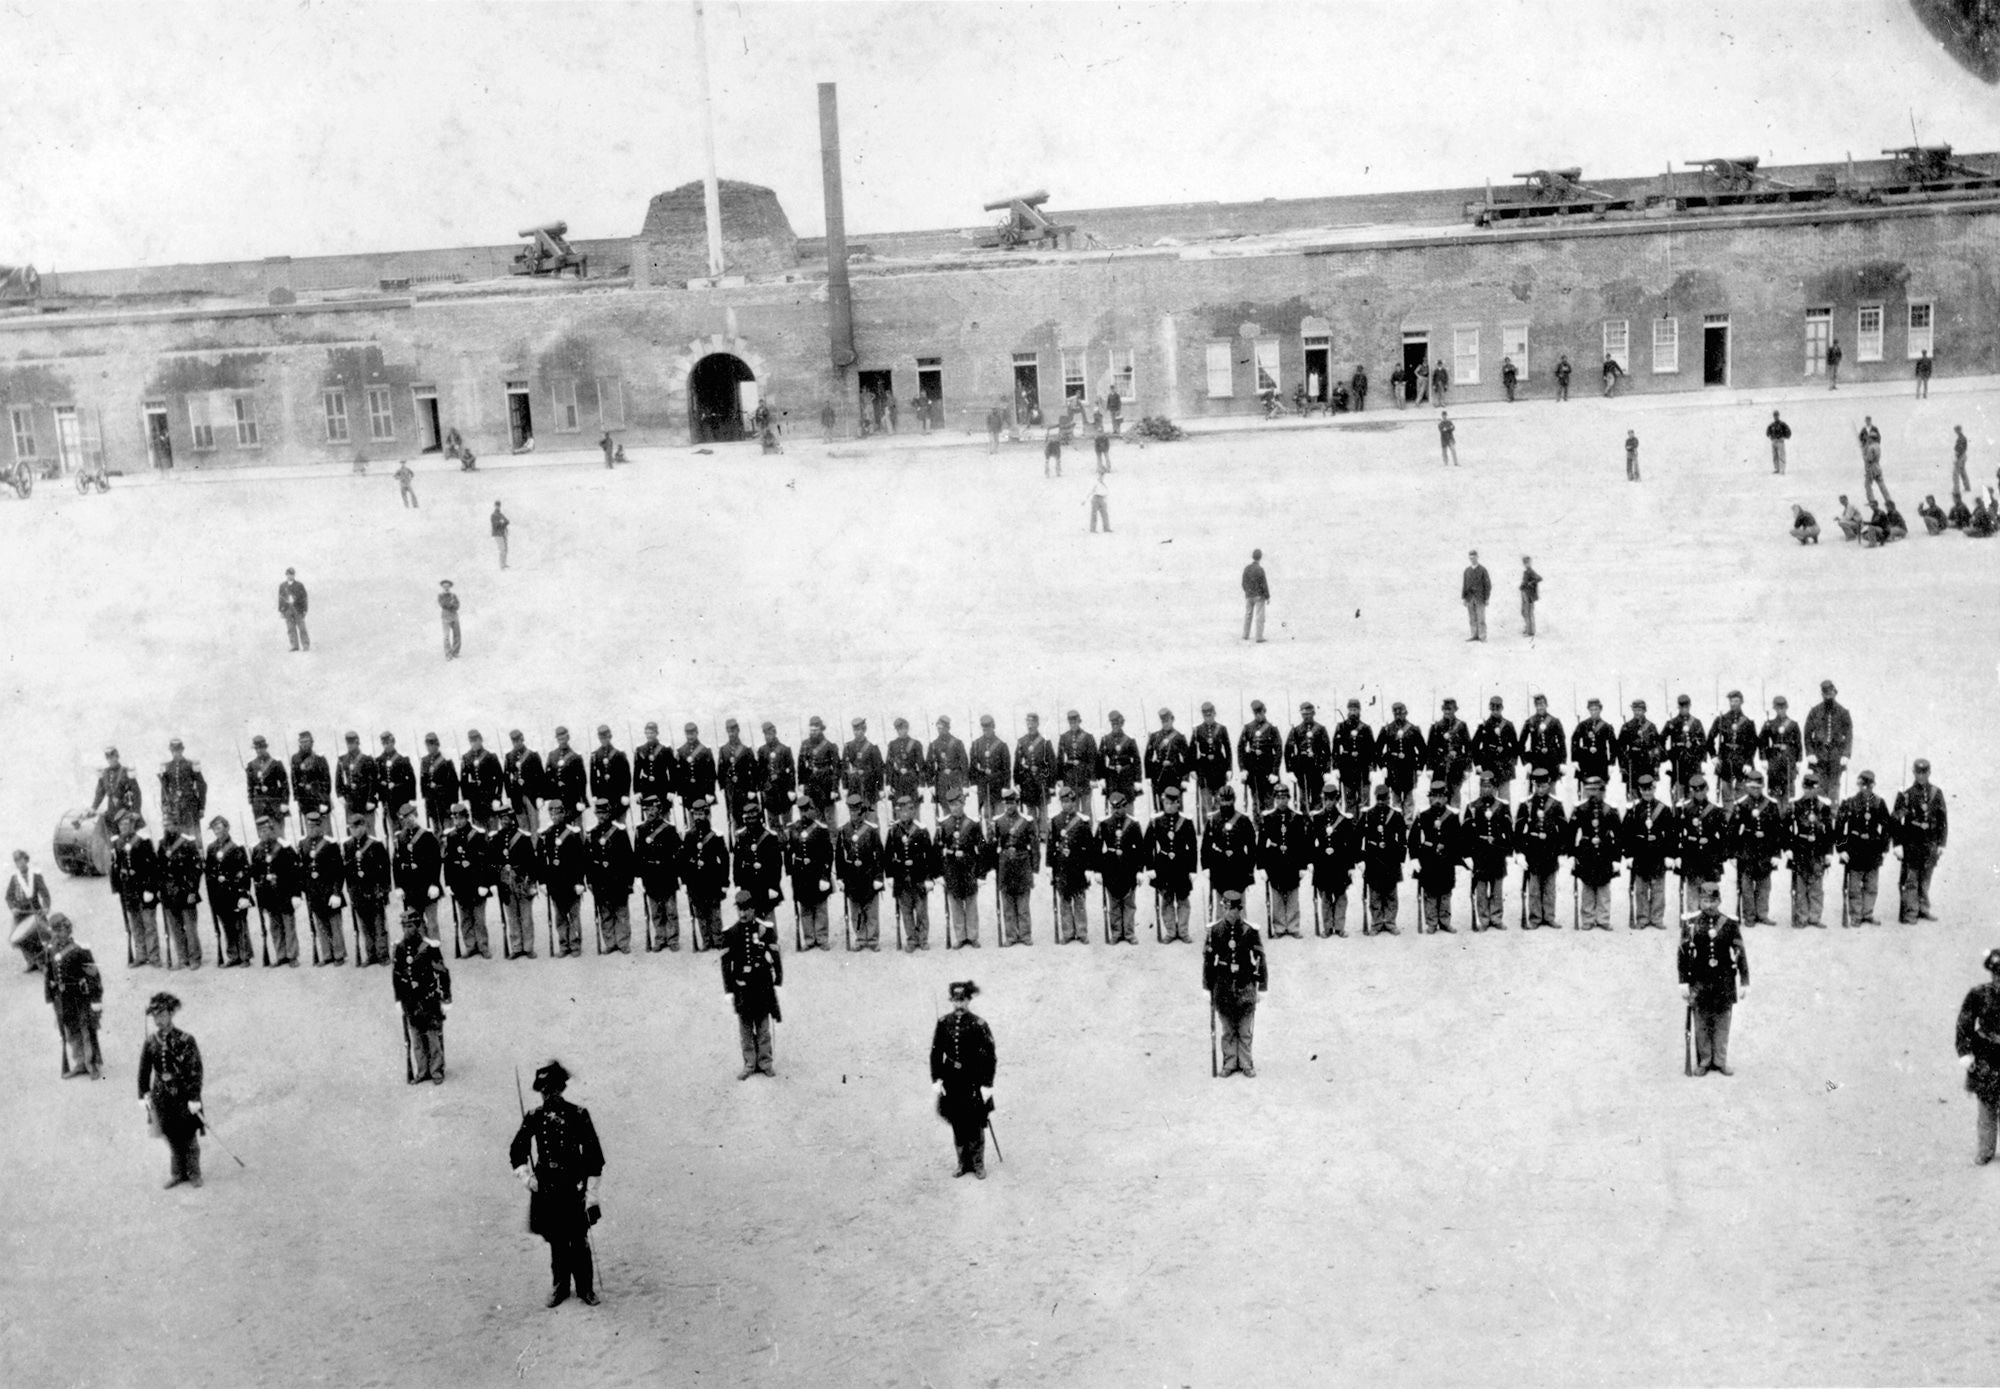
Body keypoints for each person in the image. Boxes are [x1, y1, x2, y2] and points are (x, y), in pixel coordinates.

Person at [509, 1060, 605, 1307]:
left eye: (552, 1089)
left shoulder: (578, 1115)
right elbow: (517, 1150)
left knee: (579, 1239)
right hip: (547, 1186)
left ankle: (585, 1288)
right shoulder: (534, 1117)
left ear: (561, 1089)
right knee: (557, 1240)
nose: (548, 1094)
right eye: (544, 1090)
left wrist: (591, 1190)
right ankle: (560, 1287)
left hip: (574, 1185)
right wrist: (528, 1179)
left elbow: (594, 1154)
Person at [1679, 884, 1748, 1076]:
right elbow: (1682, 955)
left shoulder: (1729, 924)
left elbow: (1740, 953)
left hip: (1723, 982)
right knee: (1701, 1022)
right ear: (1700, 901)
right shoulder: (1690, 923)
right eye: (1705, 901)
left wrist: (1744, 981)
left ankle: (1720, 1060)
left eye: (1712, 901)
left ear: (1719, 901)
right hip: (1699, 981)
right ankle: (1705, 1061)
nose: (1708, 905)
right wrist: (1683, 982)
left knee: (1722, 1023)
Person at [931, 980, 997, 1179]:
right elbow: (936, 1053)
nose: (959, 1005)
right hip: (952, 1080)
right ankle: (963, 1163)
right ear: (952, 1001)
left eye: (963, 1001)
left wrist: (987, 1084)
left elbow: (990, 1056)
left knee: (975, 1122)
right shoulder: (943, 1023)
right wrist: (937, 1078)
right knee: (958, 1122)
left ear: (969, 1000)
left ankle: (978, 1164)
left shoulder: (979, 1024)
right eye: (956, 1001)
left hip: (973, 1080)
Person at [138, 991, 205, 1187]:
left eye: (163, 1015)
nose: (159, 1020)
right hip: (162, 1096)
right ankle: (178, 1173)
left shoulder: (186, 1040)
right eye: (156, 1016)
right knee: (171, 1135)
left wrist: (194, 1098)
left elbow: (195, 1070)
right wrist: (143, 1094)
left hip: (183, 1095)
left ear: (171, 1015)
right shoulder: (151, 1042)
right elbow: (144, 1070)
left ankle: (194, 1173)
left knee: (189, 1136)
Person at [1203, 890, 1267, 1078]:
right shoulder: (1214, 931)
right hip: (1222, 985)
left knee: (1245, 1028)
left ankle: (1246, 1063)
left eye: (1234, 910)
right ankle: (1230, 1062)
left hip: (1245, 983)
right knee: (1228, 1029)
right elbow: (1208, 961)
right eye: (1227, 909)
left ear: (1239, 910)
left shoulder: (1250, 931)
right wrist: (1207, 987)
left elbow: (1260, 958)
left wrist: (1262, 987)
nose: (1230, 913)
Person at [720, 891, 783, 1078]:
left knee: (763, 1029)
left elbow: (775, 955)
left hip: (762, 986)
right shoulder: (731, 933)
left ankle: (765, 1062)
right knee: (746, 1029)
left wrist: (778, 978)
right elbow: (726, 964)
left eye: (746, 909)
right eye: (740, 909)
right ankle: (749, 1063)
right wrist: (728, 990)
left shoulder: (765, 930)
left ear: (753, 909)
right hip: (742, 988)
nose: (742, 914)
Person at [392, 908, 451, 1084]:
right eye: (404, 926)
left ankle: (436, 1070)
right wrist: (398, 999)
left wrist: (446, 997)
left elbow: (442, 973)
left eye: (409, 926)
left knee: (433, 1037)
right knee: (416, 1038)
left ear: (418, 926)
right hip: (410, 1000)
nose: (406, 930)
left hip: (429, 998)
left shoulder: (429, 947)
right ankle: (422, 1070)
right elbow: (397, 976)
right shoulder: (400, 948)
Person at [1954, 949, 2000, 1165]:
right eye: (1997, 975)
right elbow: (1964, 1025)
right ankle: (1985, 1150)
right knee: (1986, 1108)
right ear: (1992, 975)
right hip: (1987, 1058)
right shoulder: (1978, 995)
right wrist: (1965, 1053)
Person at [43, 914, 103, 1078]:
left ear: (67, 930)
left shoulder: (81, 950)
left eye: (59, 930)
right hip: (63, 998)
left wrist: (96, 1000)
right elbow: (49, 974)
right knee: (70, 1030)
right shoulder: (51, 949)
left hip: (80, 996)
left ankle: (92, 1064)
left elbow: (93, 976)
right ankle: (80, 1063)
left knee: (87, 1029)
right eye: (53, 931)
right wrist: (49, 996)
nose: (56, 935)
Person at [1835, 769, 1893, 925]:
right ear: (1858, 785)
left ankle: (1867, 913)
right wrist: (1841, 850)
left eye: (1868, 785)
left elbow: (1887, 827)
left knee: (1871, 886)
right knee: (1854, 887)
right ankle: (1856, 915)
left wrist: (1885, 848)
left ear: (1873, 785)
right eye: (1862, 785)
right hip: (1854, 848)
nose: (1865, 788)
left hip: (1873, 849)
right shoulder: (1849, 802)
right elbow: (1839, 828)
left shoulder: (1879, 803)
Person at [1727, 772, 1783, 926]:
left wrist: (1777, 853)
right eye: (1752, 787)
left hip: (1766, 849)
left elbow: (1778, 832)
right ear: (1747, 787)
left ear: (1763, 787)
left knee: (1764, 885)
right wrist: (1732, 853)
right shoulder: (1741, 804)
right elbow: (1732, 830)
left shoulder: (1771, 805)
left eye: (1758, 788)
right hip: (1747, 849)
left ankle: (1762, 914)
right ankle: (1749, 916)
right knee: (1746, 886)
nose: (1755, 790)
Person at [1894, 759, 1947, 923]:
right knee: (1911, 880)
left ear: (1929, 772)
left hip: (1930, 843)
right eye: (1918, 773)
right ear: (1914, 773)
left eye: (1925, 773)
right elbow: (1896, 821)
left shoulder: (1936, 793)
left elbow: (1942, 820)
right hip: (1912, 843)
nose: (1921, 776)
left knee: (1926, 878)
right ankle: (1910, 913)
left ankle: (1923, 909)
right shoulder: (1906, 795)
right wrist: (1897, 844)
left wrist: (1941, 844)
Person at [1513, 770, 1567, 928]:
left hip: (1551, 850)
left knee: (1550, 887)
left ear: (1549, 784)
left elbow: (1564, 830)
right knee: (1534, 888)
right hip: (1533, 851)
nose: (1540, 789)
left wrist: (1562, 853)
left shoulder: (1556, 804)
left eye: (1543, 785)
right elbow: (1518, 831)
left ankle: (1549, 917)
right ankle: (1535, 917)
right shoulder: (1526, 804)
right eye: (1537, 785)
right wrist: (1519, 853)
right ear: (1533, 785)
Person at [110, 811, 162, 967]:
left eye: (127, 824)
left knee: (149, 925)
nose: (124, 827)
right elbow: (114, 868)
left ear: (133, 825)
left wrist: (150, 889)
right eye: (121, 825)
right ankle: (141, 955)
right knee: (136, 925)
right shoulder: (116, 843)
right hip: (129, 891)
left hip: (144, 889)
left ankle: (154, 957)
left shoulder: (143, 841)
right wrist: (117, 889)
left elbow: (153, 868)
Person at [1409, 781, 1462, 933]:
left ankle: (1445, 922)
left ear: (1446, 798)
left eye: (1441, 796)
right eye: (1434, 796)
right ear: (1429, 798)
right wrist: (1414, 858)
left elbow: (1458, 840)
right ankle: (1431, 922)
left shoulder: (1452, 816)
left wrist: (1457, 860)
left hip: (1446, 858)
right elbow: (1413, 839)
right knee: (1430, 892)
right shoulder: (1423, 815)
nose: (1438, 800)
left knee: (1446, 892)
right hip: (1428, 859)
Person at [885, 793, 936, 950]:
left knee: (921, 911)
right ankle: (911, 939)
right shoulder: (893, 831)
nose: (904, 814)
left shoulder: (922, 830)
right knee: (906, 911)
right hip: (901, 878)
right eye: (901, 811)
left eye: (907, 811)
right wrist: (890, 876)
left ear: (913, 811)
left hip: (918, 876)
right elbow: (888, 856)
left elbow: (930, 856)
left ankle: (923, 939)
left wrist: (929, 878)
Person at [783, 793, 834, 950]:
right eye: (801, 810)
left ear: (813, 810)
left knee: (820, 908)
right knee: (805, 908)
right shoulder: (793, 829)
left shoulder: (821, 830)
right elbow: (788, 852)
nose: (804, 814)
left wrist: (825, 876)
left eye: (807, 810)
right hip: (801, 875)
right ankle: (809, 939)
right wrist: (790, 872)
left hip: (817, 873)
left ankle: (822, 938)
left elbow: (828, 855)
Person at [836, 790, 886, 949]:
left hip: (868, 873)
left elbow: (879, 855)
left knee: (871, 910)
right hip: (852, 875)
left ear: (862, 811)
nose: (854, 814)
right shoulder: (844, 830)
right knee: (856, 910)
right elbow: (839, 856)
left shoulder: (871, 830)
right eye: (851, 810)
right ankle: (860, 938)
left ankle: (872, 939)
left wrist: (879, 878)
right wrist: (840, 878)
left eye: (857, 811)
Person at [1622, 772, 1673, 929]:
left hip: (1658, 853)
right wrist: (1628, 855)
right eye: (1644, 790)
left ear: (1654, 789)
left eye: (1650, 789)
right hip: (1640, 853)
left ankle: (1657, 919)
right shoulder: (1634, 810)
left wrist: (1669, 855)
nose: (1647, 793)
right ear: (1640, 791)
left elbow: (1671, 834)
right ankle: (1643, 918)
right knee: (1641, 889)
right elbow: (1626, 835)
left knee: (1658, 889)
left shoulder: (1664, 810)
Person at [1093, 792, 1144, 944]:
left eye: (1119, 808)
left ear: (1125, 806)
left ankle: (1129, 933)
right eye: (1113, 808)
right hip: (1110, 867)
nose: (1116, 811)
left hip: (1129, 866)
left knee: (1129, 902)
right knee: (1114, 902)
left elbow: (1141, 849)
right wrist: (1097, 871)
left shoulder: (1133, 824)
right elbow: (1096, 848)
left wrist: (1140, 871)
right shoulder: (1104, 824)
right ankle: (1116, 933)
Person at [1787, 770, 1836, 928]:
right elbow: (1786, 829)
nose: (1811, 792)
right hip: (1800, 849)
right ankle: (1801, 917)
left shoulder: (1824, 806)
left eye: (1814, 789)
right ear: (1803, 788)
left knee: (1816, 887)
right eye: (1808, 789)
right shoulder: (1795, 805)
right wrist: (1788, 848)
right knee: (1800, 888)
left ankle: (1815, 917)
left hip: (1818, 850)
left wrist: (1829, 852)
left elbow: (1829, 832)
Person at [203, 817, 254, 967]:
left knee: (240, 925)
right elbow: (209, 871)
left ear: (227, 828)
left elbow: (244, 871)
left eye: (219, 828)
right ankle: (233, 955)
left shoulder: (236, 846)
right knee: (227, 926)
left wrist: (244, 894)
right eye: (214, 829)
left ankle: (245, 956)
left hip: (235, 891)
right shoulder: (211, 848)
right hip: (220, 894)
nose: (217, 832)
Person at [585, 797, 634, 953]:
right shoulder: (592, 834)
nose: (601, 816)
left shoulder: (619, 832)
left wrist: (629, 881)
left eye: (604, 813)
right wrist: (590, 880)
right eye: (598, 813)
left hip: (617, 879)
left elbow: (628, 858)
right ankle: (610, 943)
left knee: (621, 913)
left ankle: (623, 943)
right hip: (601, 880)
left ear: (609, 813)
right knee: (605, 914)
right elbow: (588, 861)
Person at [540, 800, 588, 956]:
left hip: (571, 882)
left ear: (563, 813)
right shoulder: (546, 835)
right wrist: (543, 882)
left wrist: (580, 882)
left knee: (574, 916)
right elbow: (542, 862)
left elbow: (581, 861)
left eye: (558, 813)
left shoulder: (572, 834)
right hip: (555, 883)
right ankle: (563, 945)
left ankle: (575, 945)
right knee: (560, 918)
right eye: (552, 814)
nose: (555, 817)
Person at [1358, 784, 1406, 933]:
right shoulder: (1367, 815)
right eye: (1378, 799)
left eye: (1384, 799)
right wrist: (1360, 860)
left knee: (1391, 894)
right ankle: (1377, 923)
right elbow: (1357, 838)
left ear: (1389, 798)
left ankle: (1390, 922)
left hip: (1391, 859)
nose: (1381, 802)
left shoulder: (1396, 815)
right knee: (1375, 895)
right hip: (1373, 860)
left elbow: (1403, 839)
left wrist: (1400, 858)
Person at [1804, 680, 1853, 802]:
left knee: (1834, 788)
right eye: (1826, 694)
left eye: (1831, 693)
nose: (1828, 696)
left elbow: (1849, 735)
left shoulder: (1843, 712)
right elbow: (1807, 734)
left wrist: (1846, 754)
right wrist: (1810, 753)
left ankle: (1833, 816)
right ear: (1822, 695)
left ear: (1835, 693)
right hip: (1819, 756)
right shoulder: (1815, 712)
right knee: (1819, 787)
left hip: (1836, 756)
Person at [8, 848, 52, 971]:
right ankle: (31, 962)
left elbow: (45, 894)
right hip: (21, 914)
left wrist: (45, 907)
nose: (19, 864)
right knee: (22, 939)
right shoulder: (14, 878)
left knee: (40, 937)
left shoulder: (36, 875)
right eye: (16, 862)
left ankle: (44, 963)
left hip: (35, 910)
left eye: (21, 861)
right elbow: (9, 897)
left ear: (26, 860)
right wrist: (13, 908)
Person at [158, 738, 208, 844]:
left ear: (182, 750)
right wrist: (165, 804)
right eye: (173, 750)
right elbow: (164, 788)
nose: (176, 753)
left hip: (190, 805)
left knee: (194, 836)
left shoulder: (191, 764)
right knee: (177, 836)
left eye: (178, 750)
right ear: (171, 751)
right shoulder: (166, 767)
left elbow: (202, 785)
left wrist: (202, 807)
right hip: (174, 807)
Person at [278, 568, 310, 652]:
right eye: (288, 574)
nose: (290, 576)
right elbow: (280, 598)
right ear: (286, 575)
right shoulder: (282, 586)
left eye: (292, 574)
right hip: (287, 610)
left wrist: (305, 609)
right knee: (290, 629)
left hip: (298, 609)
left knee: (302, 628)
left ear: (294, 575)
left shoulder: (299, 585)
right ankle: (294, 646)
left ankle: (305, 645)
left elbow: (304, 597)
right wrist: (281, 610)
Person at [1241, 548, 1270, 642]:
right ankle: (1259, 637)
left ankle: (1245, 635)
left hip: (1249, 595)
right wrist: (1267, 596)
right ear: (1260, 558)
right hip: (1259, 596)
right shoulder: (1260, 569)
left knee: (1248, 615)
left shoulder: (1247, 568)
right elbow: (1264, 584)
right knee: (1259, 617)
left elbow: (1243, 583)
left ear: (1252, 557)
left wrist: (1247, 592)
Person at [1461, 549, 1490, 641]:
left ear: (1477, 557)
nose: (1472, 559)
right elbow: (1464, 584)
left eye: (1474, 557)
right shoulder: (1467, 571)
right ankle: (1474, 635)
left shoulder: (1483, 570)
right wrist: (1464, 598)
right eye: (1470, 558)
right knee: (1472, 618)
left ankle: (1482, 636)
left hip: (1480, 598)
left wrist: (1486, 598)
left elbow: (1487, 585)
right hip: (1470, 598)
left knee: (1481, 618)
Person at [438, 580, 462, 660]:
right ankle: (448, 654)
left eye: (448, 586)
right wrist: (451, 604)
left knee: (457, 635)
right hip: (445, 617)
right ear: (442, 587)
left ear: (450, 587)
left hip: (454, 616)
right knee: (446, 636)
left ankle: (455, 652)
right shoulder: (440, 595)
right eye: (444, 586)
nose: (446, 588)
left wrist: (452, 605)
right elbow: (443, 604)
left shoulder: (453, 595)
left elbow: (457, 605)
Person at [1519, 556, 1542, 637]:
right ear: (1524, 564)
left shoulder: (1531, 571)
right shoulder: (1526, 571)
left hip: (1529, 595)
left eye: (1528, 562)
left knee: (1528, 612)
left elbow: (1539, 578)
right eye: (1525, 563)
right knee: (1524, 612)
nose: (1527, 564)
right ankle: (1528, 628)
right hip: (1524, 593)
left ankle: (1530, 632)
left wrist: (1531, 583)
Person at [1087, 464, 1110, 533]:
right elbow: (1090, 491)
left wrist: (1106, 498)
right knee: (1094, 514)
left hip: (1102, 498)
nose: (1101, 475)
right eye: (1100, 473)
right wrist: (1085, 499)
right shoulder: (1094, 481)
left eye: (1103, 474)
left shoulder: (1105, 481)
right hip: (1096, 498)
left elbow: (1106, 491)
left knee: (1105, 514)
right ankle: (1092, 529)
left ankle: (1106, 528)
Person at [490, 501, 510, 569]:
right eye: (497, 505)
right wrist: (502, 523)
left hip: (502, 533)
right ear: (494, 506)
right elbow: (496, 525)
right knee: (502, 549)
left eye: (499, 505)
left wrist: (502, 523)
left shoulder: (500, 514)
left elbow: (507, 521)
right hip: (497, 534)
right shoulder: (493, 515)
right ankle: (502, 566)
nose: (498, 506)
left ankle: (504, 564)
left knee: (505, 549)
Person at [1951, 424, 1970, 494]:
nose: (1955, 431)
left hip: (1960, 456)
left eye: (1956, 430)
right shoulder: (1961, 437)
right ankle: (1967, 487)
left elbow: (1960, 449)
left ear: (1959, 430)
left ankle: (1956, 490)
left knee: (1955, 474)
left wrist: (1957, 458)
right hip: (1962, 456)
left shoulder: (1961, 438)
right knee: (1962, 472)